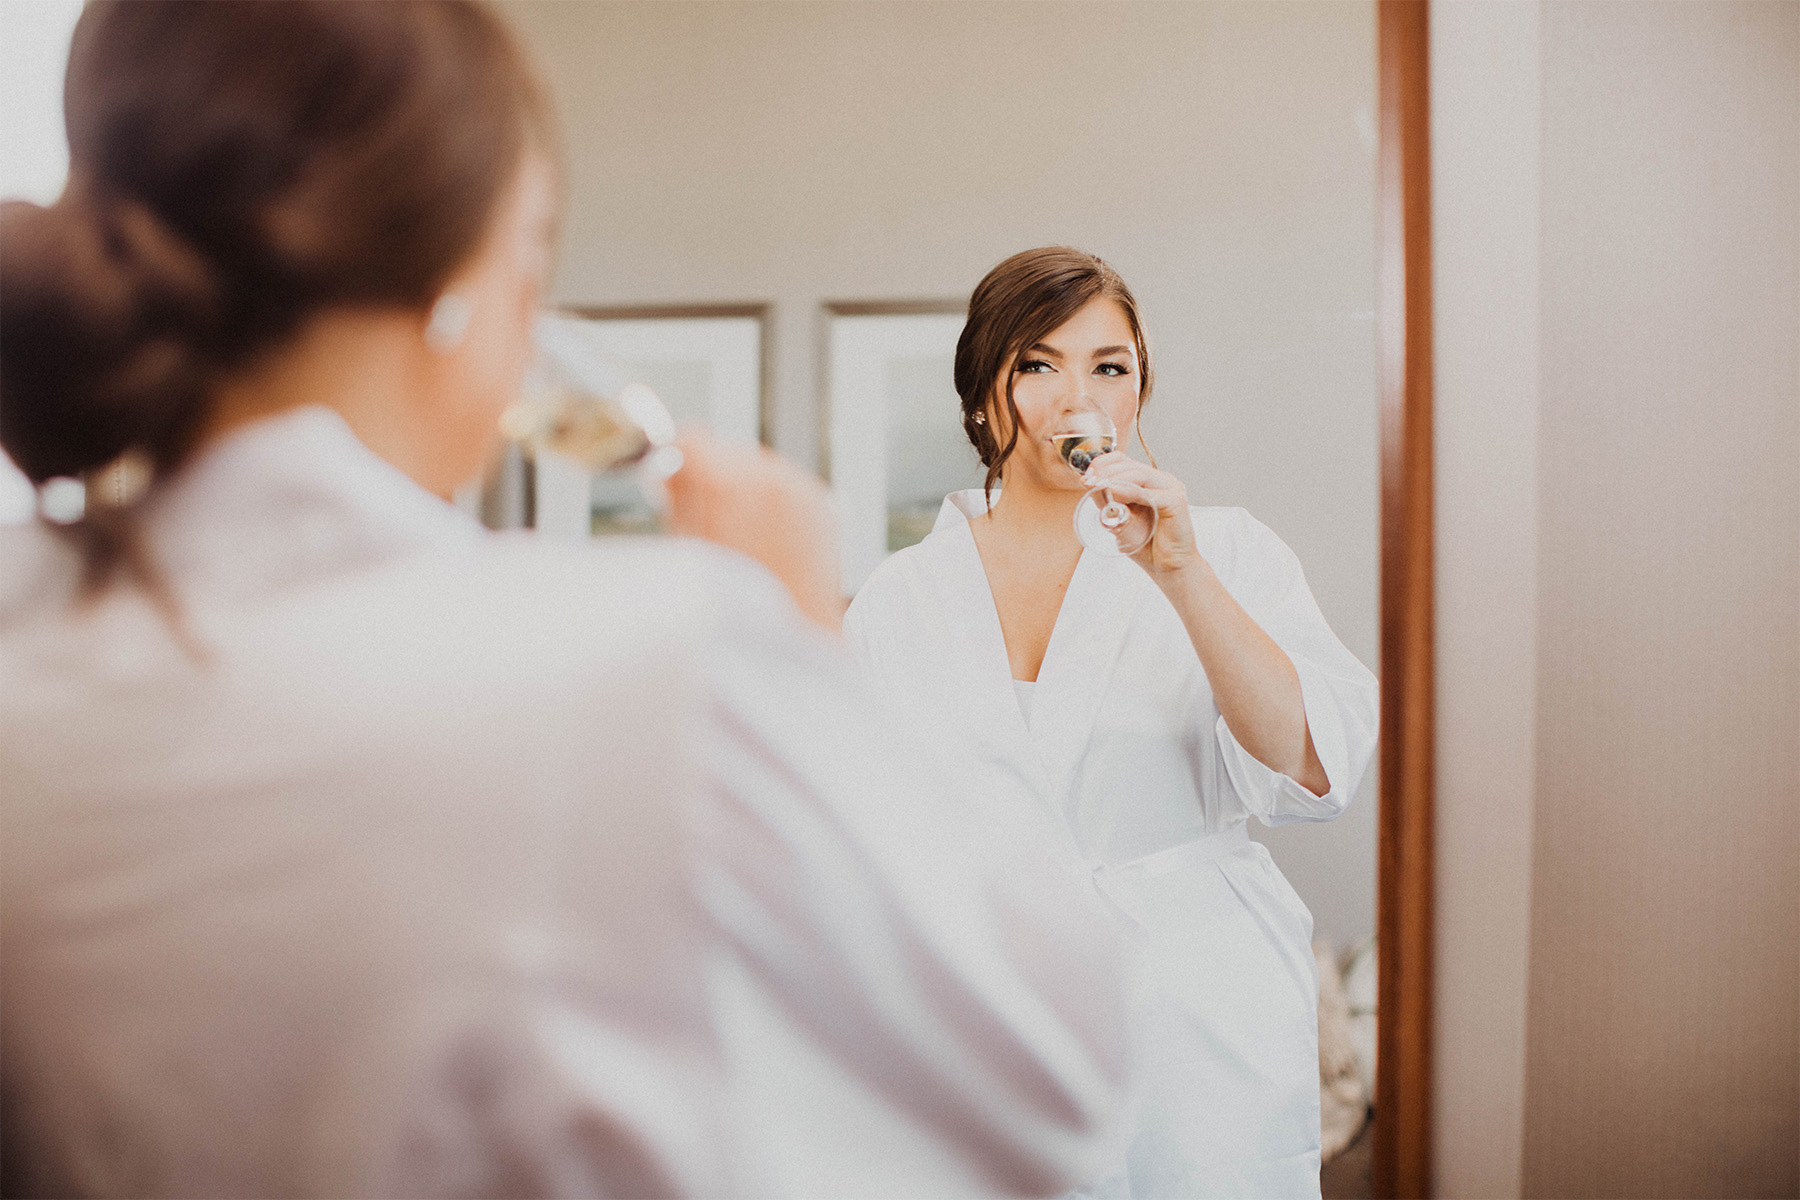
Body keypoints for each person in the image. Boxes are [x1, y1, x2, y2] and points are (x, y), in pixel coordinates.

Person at [0, 9, 1131, 1197]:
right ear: (457, 288)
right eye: (531, 247)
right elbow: (1057, 1074)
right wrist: (801, 634)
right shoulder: (648, 668)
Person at [843, 247, 1380, 1198]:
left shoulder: (1226, 549)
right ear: (983, 399)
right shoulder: (900, 599)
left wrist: (1180, 573)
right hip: (984, 1015)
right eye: (1037, 365)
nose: (1075, 396)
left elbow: (1311, 768)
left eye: (1109, 367)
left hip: (1194, 1012)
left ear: (1138, 392)